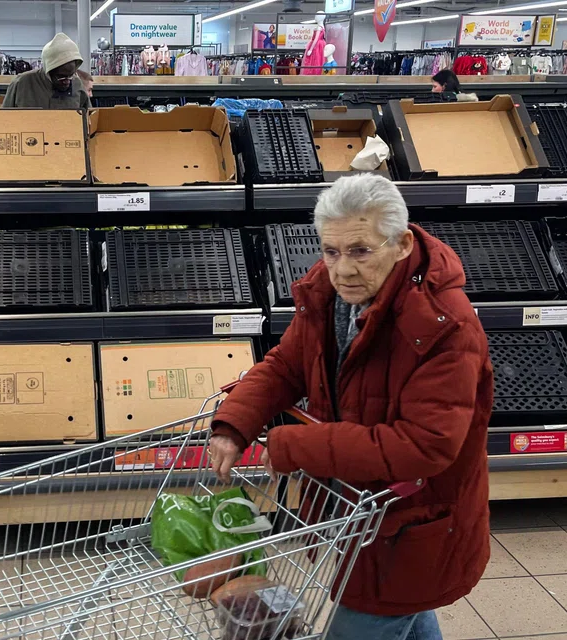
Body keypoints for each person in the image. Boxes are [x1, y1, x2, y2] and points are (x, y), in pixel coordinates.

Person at [208, 174, 492, 640]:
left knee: (374, 613)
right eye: (331, 251)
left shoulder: (445, 326)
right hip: (364, 515)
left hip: (411, 519)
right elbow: (287, 365)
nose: (342, 269)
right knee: (403, 608)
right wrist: (235, 423)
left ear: (401, 245)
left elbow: (425, 445)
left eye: (361, 251)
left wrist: (295, 445)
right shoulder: (331, 292)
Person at [3, 33, 90, 109]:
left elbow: (88, 119)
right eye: (61, 76)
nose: (67, 81)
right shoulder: (22, 84)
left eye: (70, 75)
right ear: (49, 70)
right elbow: (3, 119)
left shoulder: (77, 85)